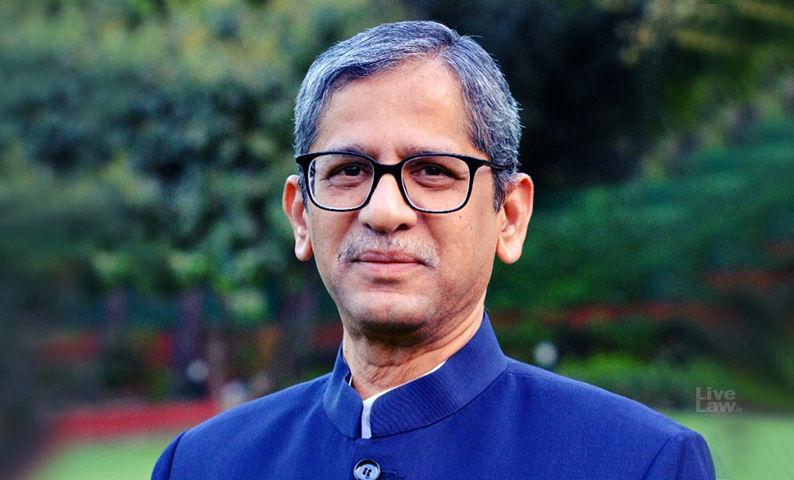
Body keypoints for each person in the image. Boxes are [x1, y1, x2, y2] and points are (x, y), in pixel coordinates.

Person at [152, 21, 715, 479]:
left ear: (509, 216)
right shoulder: (203, 465)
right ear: (301, 214)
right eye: (348, 170)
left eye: (432, 171)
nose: (384, 211)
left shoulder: (638, 463)